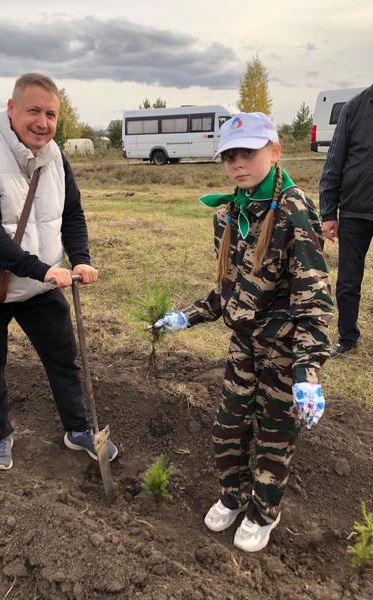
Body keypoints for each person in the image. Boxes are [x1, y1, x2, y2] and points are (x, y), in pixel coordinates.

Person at [155, 112, 333, 552]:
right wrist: (186, 316)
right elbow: (228, 290)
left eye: (248, 153)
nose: (238, 163)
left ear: (274, 152)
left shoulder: (296, 214)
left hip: (283, 352)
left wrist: (307, 375)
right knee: (227, 428)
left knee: (274, 437)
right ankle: (233, 497)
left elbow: (315, 304)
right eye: (230, 155)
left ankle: (263, 513)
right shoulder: (230, 214)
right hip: (243, 348)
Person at [0, 73, 118, 470]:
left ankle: (78, 430)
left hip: (38, 282)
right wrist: (42, 270)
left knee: (63, 357)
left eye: (51, 114)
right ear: (11, 109)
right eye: (34, 111)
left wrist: (81, 257)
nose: (43, 122)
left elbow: (71, 212)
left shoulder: (54, 154)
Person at [319, 84, 373, 358]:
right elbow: (334, 161)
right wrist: (328, 212)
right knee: (349, 281)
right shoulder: (355, 108)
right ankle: (347, 337)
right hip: (355, 212)